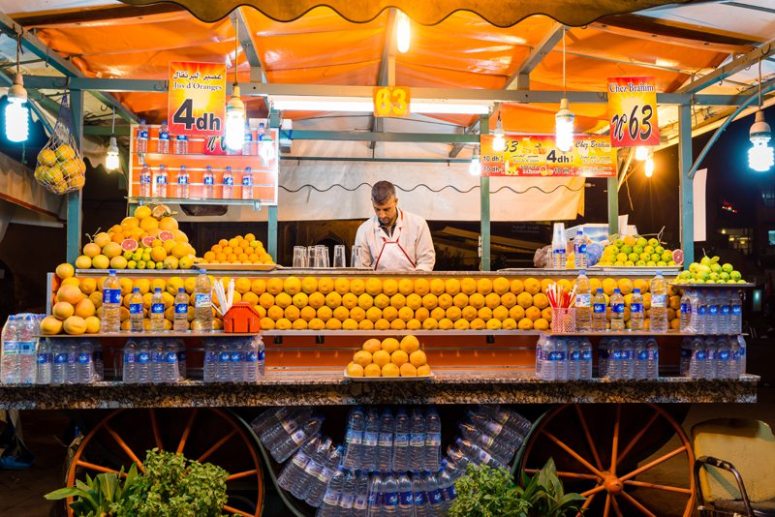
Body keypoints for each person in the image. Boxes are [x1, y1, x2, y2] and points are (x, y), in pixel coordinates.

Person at [353, 181, 435, 271]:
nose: (382, 215)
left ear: (396, 201)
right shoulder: (364, 230)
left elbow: (426, 261)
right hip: (377, 284)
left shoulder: (418, 224)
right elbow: (361, 268)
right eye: (377, 209)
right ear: (372, 202)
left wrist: (415, 281)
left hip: (411, 283)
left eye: (386, 209)